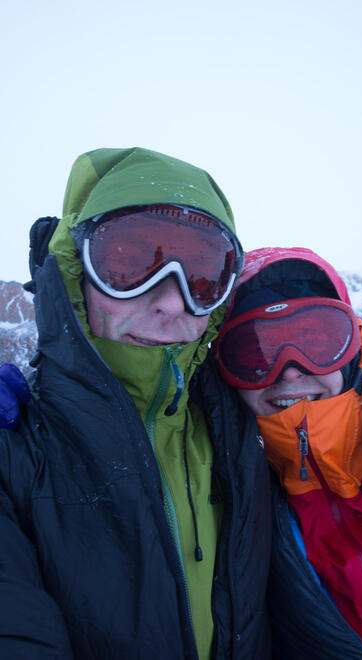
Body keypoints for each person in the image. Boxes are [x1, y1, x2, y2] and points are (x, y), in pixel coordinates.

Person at [0, 148, 272, 658]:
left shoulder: (246, 430)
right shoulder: (15, 454)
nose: (170, 300)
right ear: (75, 272)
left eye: (201, 276)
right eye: (128, 262)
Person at [214, 246, 362, 659]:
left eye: (318, 342)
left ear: (352, 350)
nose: (291, 370)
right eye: (255, 353)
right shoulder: (226, 504)